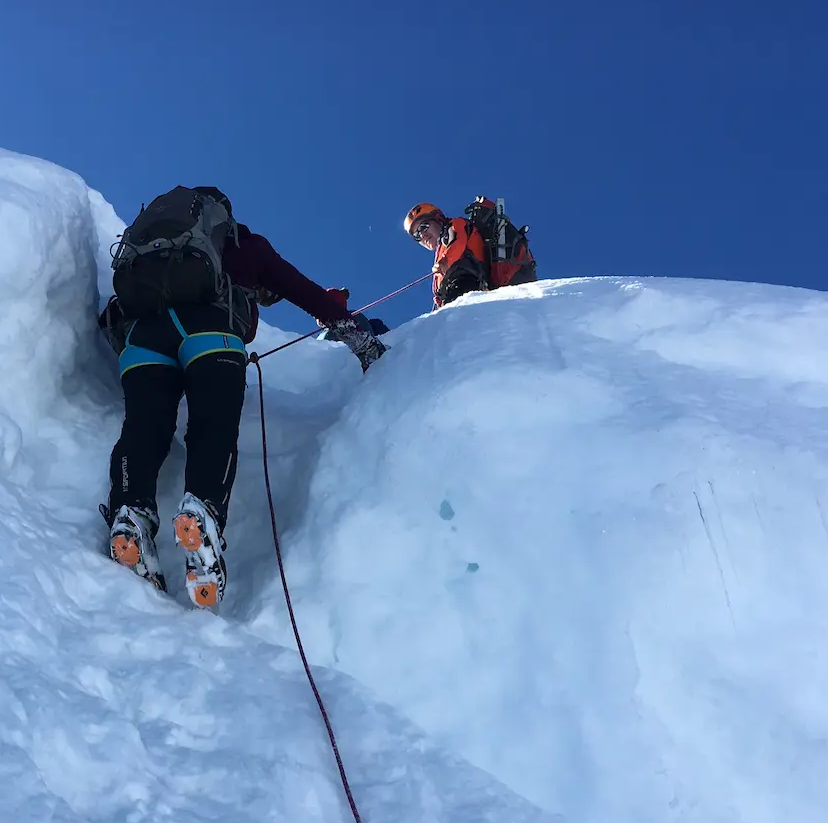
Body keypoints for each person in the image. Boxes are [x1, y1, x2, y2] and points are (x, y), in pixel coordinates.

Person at [97, 186, 387, 609]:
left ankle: (130, 514)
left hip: (142, 337)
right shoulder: (241, 241)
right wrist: (359, 338)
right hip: (209, 330)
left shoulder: (156, 244)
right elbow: (301, 289)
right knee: (212, 424)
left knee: (144, 428)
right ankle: (201, 512)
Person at [405, 198, 537, 308]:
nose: (422, 235)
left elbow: (458, 243)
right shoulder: (442, 248)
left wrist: (445, 262)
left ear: (438, 219)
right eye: (417, 235)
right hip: (463, 289)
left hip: (464, 284)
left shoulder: (455, 225)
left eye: (424, 227)